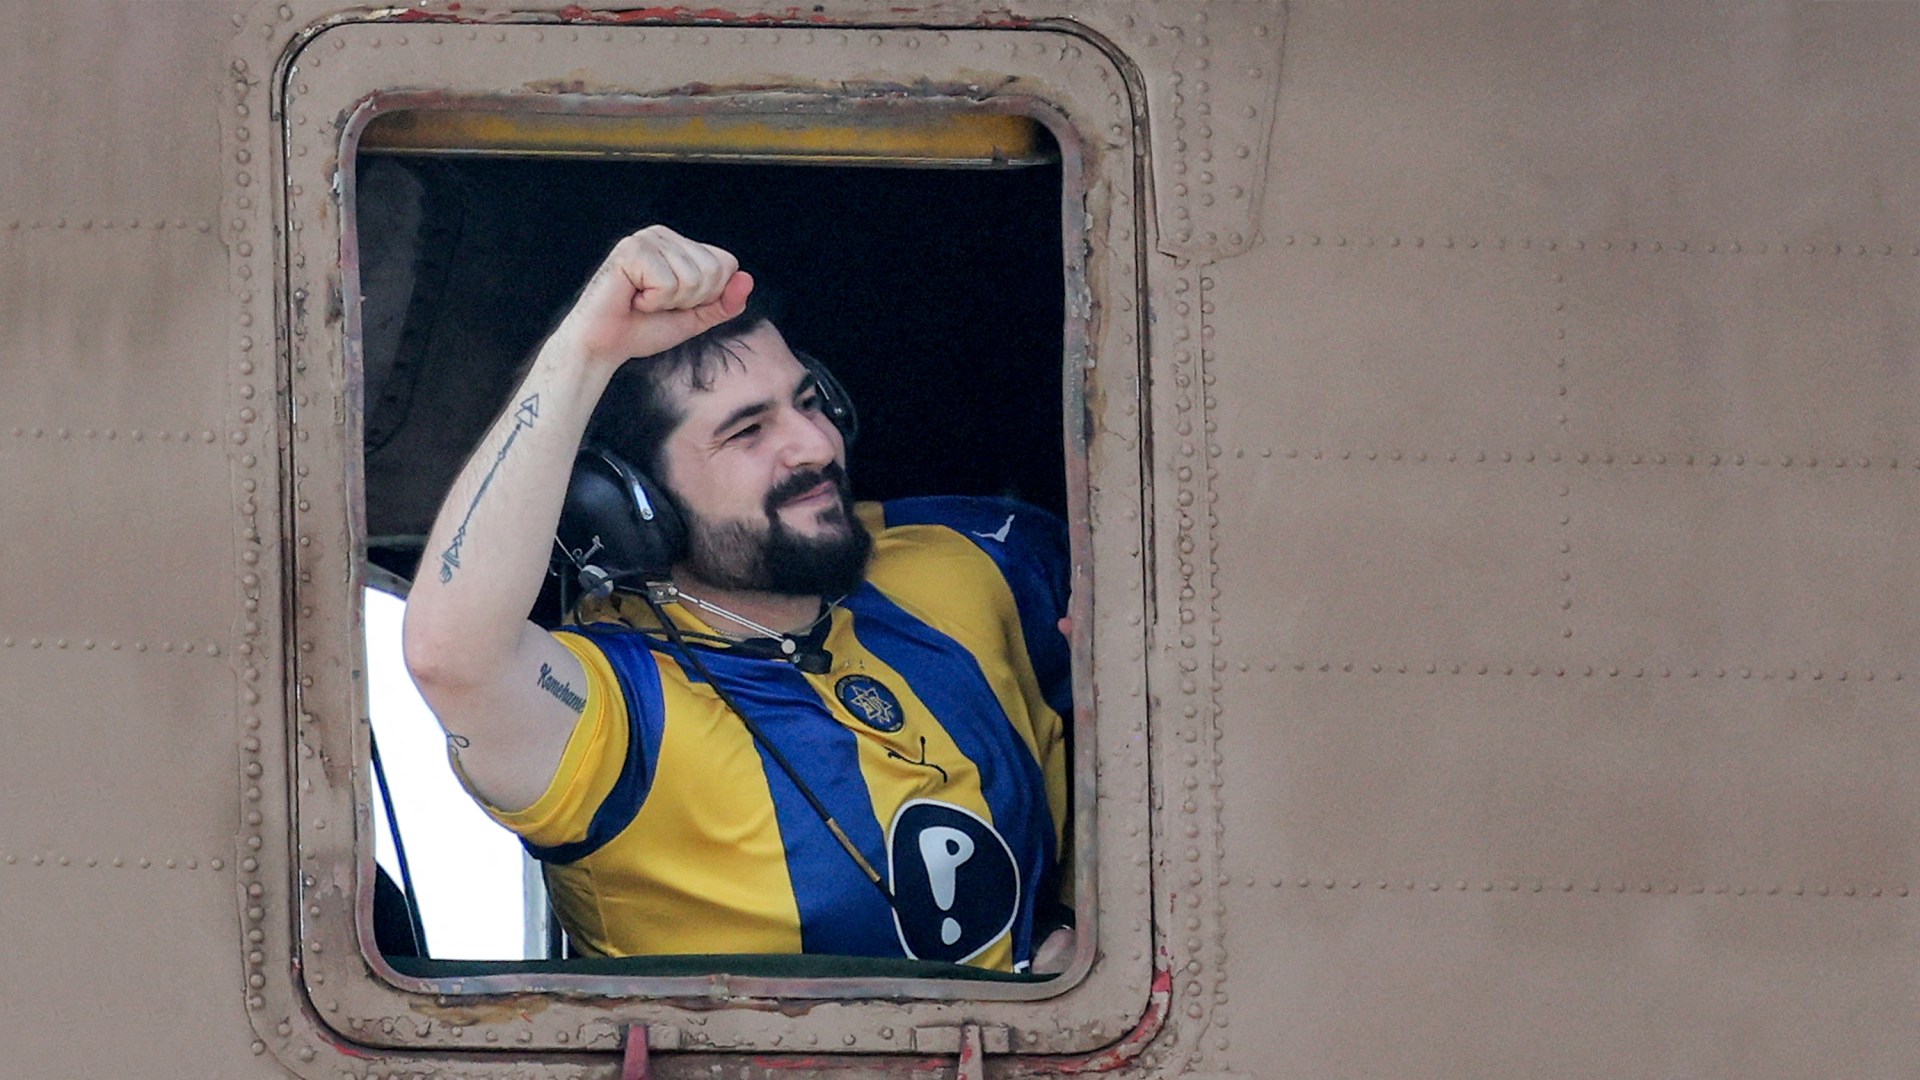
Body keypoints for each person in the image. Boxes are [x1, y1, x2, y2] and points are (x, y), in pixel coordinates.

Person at [402, 225, 1073, 973]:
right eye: (748, 432)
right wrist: (586, 350)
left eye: (810, 402)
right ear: (632, 502)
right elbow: (451, 656)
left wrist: (1090, 923)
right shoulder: (616, 714)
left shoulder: (972, 559)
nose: (816, 446)